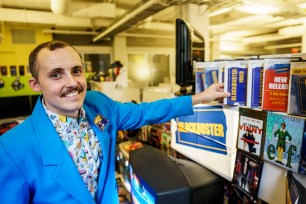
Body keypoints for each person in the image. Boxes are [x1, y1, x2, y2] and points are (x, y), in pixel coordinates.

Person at [0, 40, 230, 203]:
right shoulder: (11, 147)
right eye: (56, 74)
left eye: (76, 71)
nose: (72, 82)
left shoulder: (98, 104)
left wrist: (200, 98)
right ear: (35, 84)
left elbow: (144, 112)